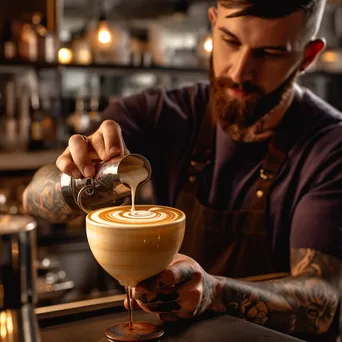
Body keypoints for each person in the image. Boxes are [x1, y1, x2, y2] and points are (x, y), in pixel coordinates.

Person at [23, 0, 342, 339]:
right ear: (212, 22)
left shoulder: (329, 145)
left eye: (270, 53)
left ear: (308, 56)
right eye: (231, 41)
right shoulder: (160, 113)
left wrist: (216, 294)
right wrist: (85, 179)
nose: (239, 71)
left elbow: (323, 300)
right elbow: (33, 198)